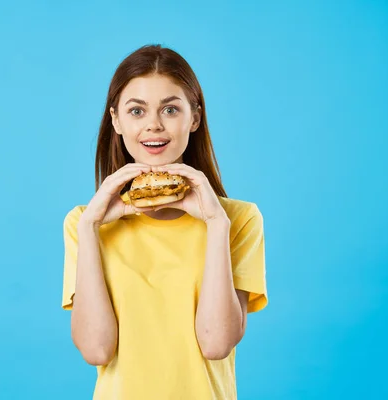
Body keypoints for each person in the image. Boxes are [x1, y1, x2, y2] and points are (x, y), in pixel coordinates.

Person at [61, 44, 268, 400]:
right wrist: (91, 227)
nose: (153, 125)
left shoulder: (238, 219)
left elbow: (216, 343)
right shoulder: (84, 222)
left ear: (194, 117)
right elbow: (96, 350)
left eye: (170, 109)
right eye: (136, 110)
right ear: (116, 120)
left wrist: (216, 226)